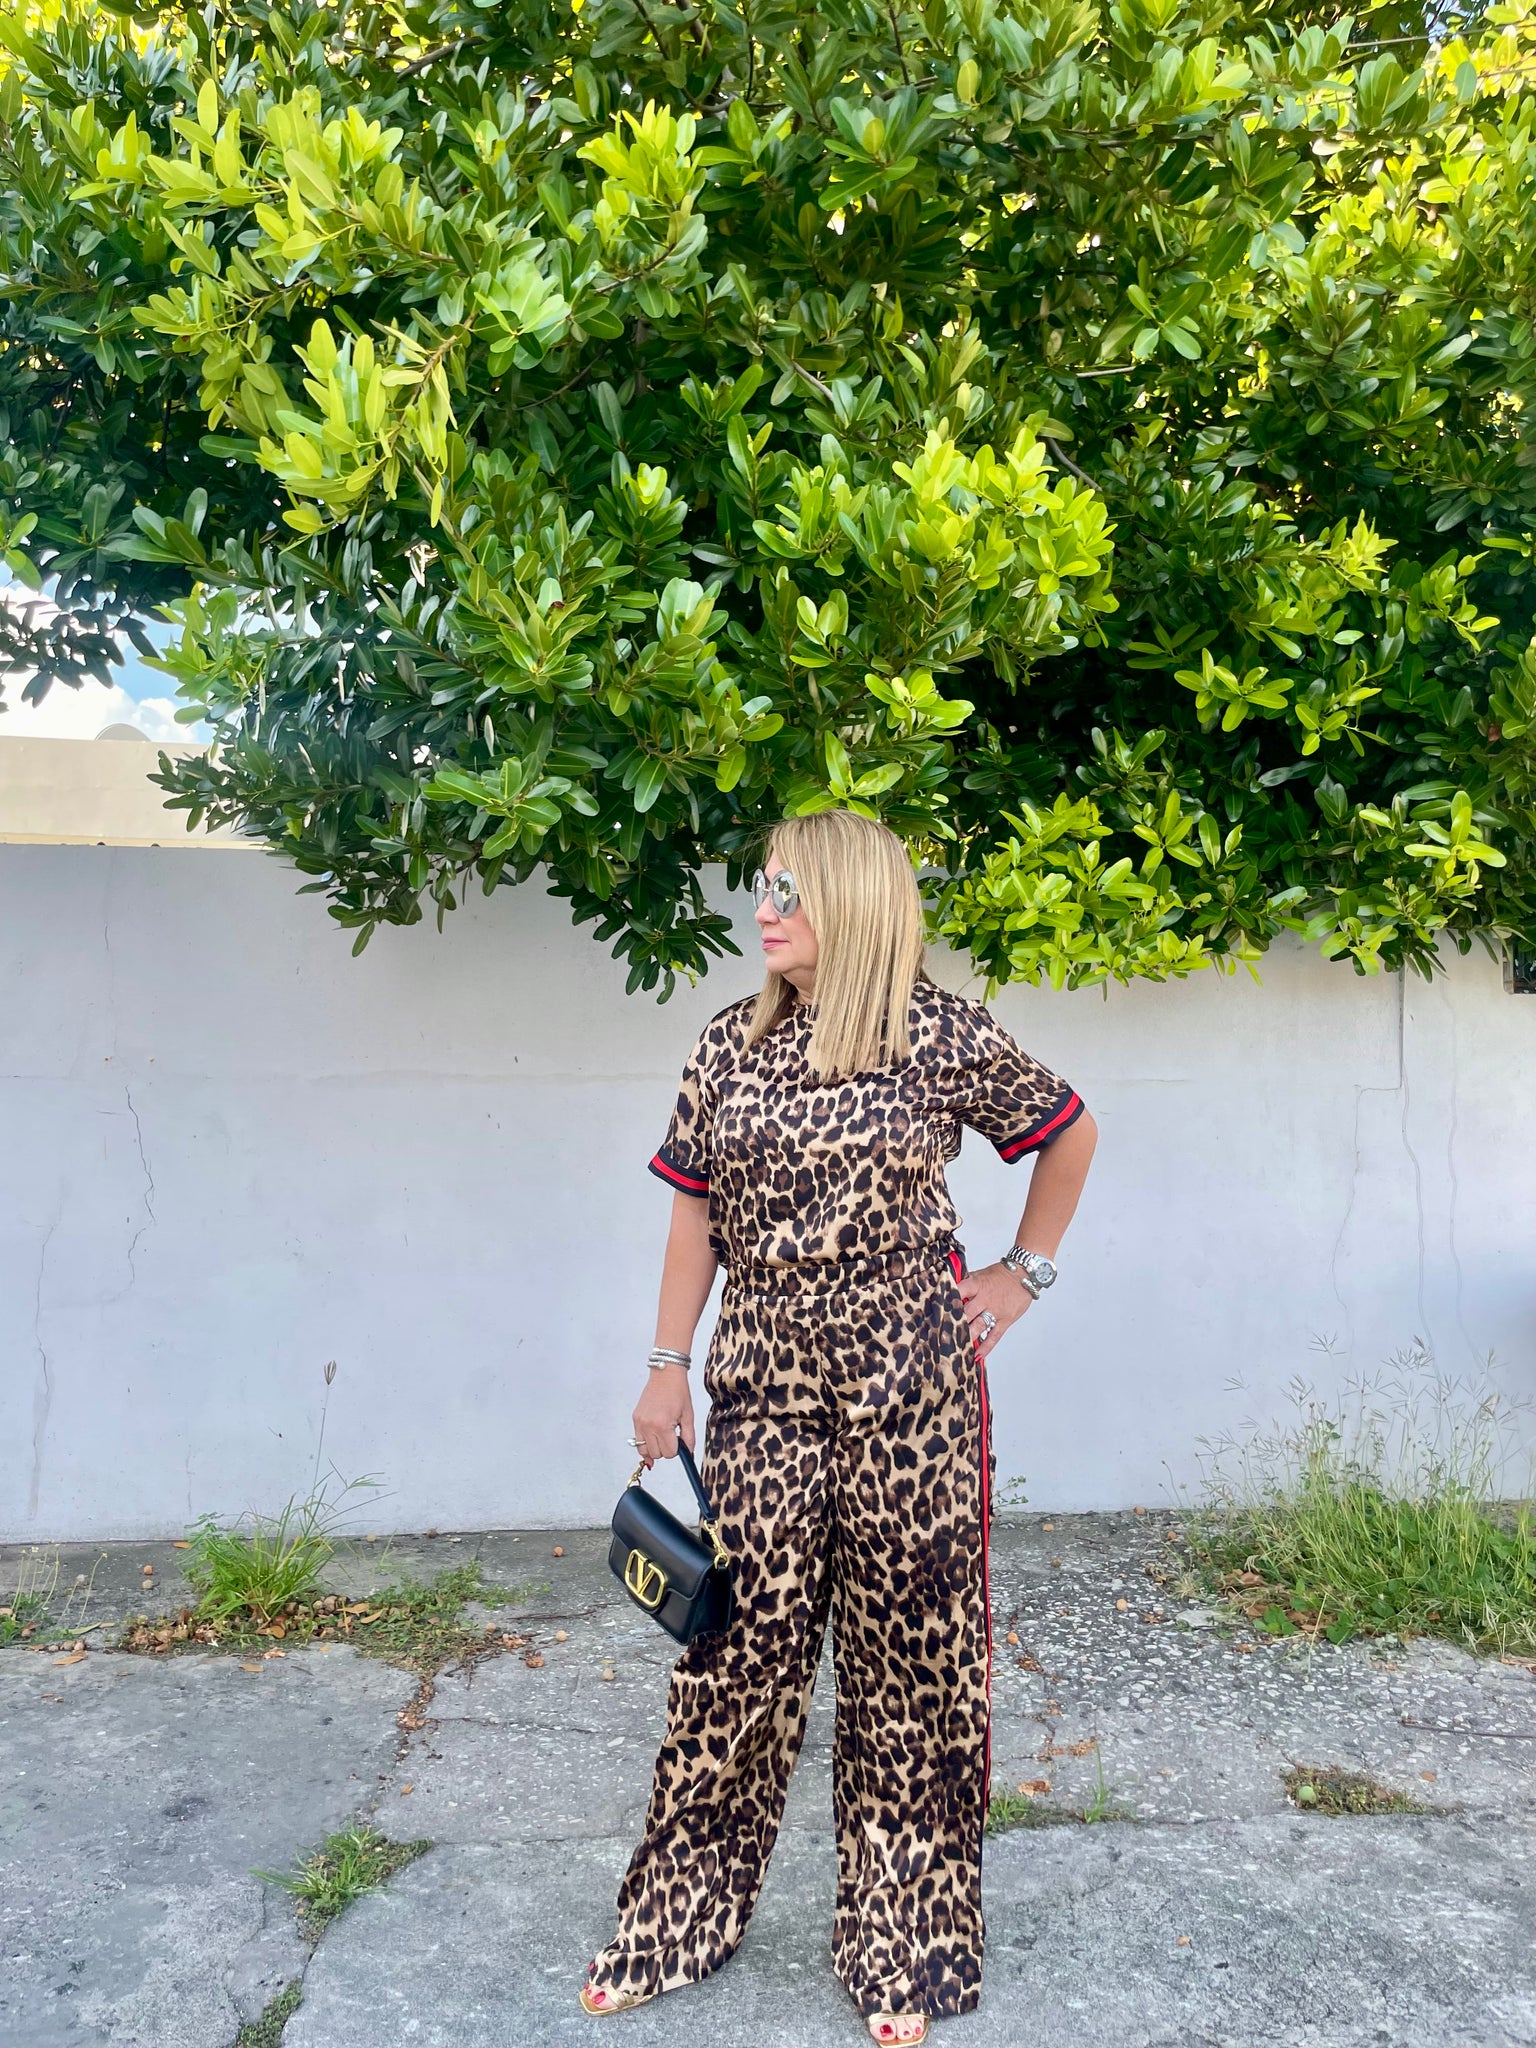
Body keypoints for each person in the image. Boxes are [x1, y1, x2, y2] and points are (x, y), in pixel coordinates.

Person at [580, 809, 1098, 2044]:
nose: (763, 911)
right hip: (760, 1380)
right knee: (734, 1654)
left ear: (855, 902)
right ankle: (673, 1922)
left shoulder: (939, 1030)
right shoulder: (729, 1043)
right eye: (762, 888)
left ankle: (902, 1945)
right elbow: (692, 1216)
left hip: (911, 1382)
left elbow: (1068, 1128)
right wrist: (666, 1367)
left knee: (911, 1661)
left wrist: (1024, 1273)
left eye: (789, 891)